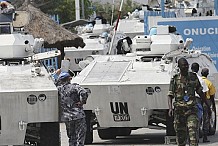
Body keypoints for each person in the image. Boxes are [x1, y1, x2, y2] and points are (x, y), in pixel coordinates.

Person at [168, 57, 210, 146]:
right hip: (179, 112)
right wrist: (170, 108)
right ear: (179, 66)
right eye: (184, 65)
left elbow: (199, 91)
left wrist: (207, 105)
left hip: (191, 111)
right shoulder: (175, 79)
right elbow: (170, 95)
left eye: (187, 65)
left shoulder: (193, 77)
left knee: (193, 137)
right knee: (181, 140)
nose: (186, 67)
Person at [57, 72, 88, 146]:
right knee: (80, 134)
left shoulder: (59, 89)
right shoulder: (75, 87)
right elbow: (84, 92)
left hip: (67, 117)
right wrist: (82, 102)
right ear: (69, 79)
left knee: (71, 136)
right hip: (78, 115)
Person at [201, 68, 216, 143]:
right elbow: (212, 96)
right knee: (206, 119)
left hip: (197, 101)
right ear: (207, 74)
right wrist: (212, 106)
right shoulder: (209, 83)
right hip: (206, 102)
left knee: (198, 119)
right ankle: (205, 137)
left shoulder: (198, 81)